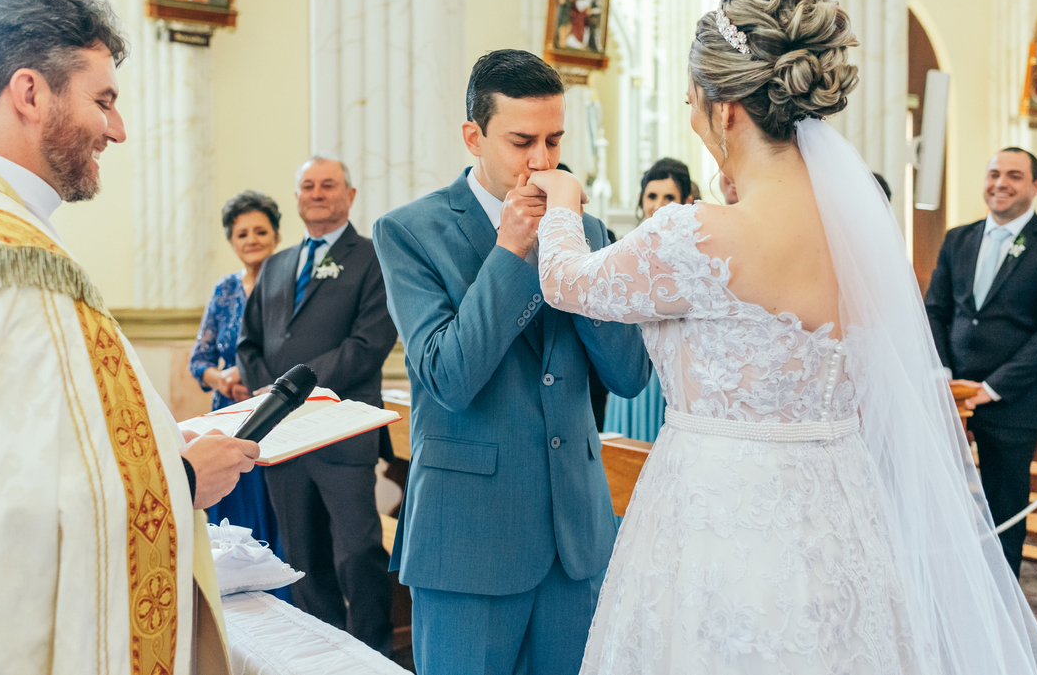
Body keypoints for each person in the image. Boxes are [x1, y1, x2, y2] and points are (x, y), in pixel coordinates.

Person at [528, 0, 1037, 673]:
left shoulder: (695, 231)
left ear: (727, 111)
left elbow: (568, 281)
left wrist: (562, 199)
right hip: (837, 505)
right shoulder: (855, 234)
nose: (695, 117)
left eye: (693, 103)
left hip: (715, 510)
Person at [0, 0, 258, 674]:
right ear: (30, 93)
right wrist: (180, 477)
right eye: (104, 100)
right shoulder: (21, 269)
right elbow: (24, 521)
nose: (117, 130)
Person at [372, 49, 651, 675]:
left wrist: (571, 249)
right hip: (468, 540)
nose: (542, 162)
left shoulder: (589, 230)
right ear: (474, 135)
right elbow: (448, 376)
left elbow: (630, 376)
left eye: (554, 140)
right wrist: (513, 252)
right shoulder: (409, 232)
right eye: (521, 140)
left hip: (576, 541)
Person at [237, 156, 397, 654]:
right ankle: (322, 656)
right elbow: (249, 343)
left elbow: (368, 344)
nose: (318, 192)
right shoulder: (279, 264)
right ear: (298, 197)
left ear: (349, 196)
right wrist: (272, 400)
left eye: (329, 185)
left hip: (340, 429)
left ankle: (373, 653)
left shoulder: (374, 257)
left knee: (357, 552)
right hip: (282, 436)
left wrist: (291, 391)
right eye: (308, 185)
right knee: (302, 556)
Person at [925, 147, 1037, 578]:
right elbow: (935, 311)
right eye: (994, 173)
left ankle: (1004, 603)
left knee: (1004, 508)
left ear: (1035, 186)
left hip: (1013, 400)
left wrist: (992, 387)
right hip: (950, 397)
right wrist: (943, 375)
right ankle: (953, 587)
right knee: (940, 501)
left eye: (1014, 175)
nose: (1000, 183)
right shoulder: (959, 238)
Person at [189, 189, 288, 584]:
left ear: (277, 236)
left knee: (277, 513)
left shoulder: (289, 285)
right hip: (227, 417)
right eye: (242, 233)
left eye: (260, 231)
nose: (252, 240)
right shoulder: (224, 290)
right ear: (232, 241)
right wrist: (222, 378)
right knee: (229, 500)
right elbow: (199, 361)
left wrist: (260, 382)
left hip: (273, 418)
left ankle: (279, 593)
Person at [604, 158, 699, 442]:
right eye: (652, 196)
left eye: (669, 197)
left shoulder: (697, 257)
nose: (658, 205)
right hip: (634, 364)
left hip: (677, 369)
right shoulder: (622, 251)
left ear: (687, 201)